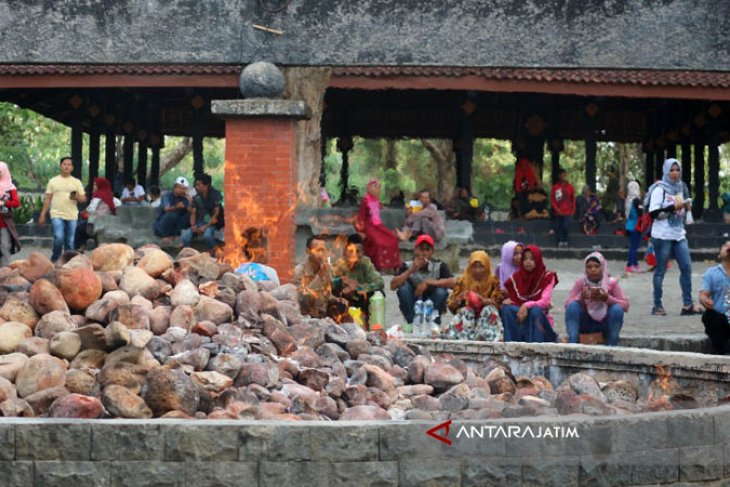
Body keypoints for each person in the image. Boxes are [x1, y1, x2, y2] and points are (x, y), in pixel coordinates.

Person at [648, 158, 700, 316]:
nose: (675, 173)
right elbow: (654, 213)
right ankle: (657, 305)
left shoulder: (681, 188)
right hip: (662, 235)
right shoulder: (659, 189)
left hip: (679, 234)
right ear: (666, 171)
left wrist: (687, 208)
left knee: (686, 267)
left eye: (677, 170)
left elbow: (683, 212)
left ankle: (687, 304)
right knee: (660, 271)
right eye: (672, 170)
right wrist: (673, 207)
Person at [564, 252, 629, 346]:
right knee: (573, 306)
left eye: (596, 266)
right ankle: (572, 341)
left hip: (605, 322)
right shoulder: (581, 282)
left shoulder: (611, 283)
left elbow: (625, 305)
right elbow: (567, 304)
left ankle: (612, 344)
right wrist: (581, 297)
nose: (593, 270)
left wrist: (607, 299)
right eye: (589, 267)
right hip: (586, 322)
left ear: (602, 267)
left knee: (617, 310)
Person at [391, 234, 455, 325]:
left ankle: (433, 322)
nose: (424, 253)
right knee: (403, 289)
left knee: (441, 291)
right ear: (415, 250)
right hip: (413, 300)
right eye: (421, 249)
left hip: (432, 300)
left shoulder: (439, 265)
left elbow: (454, 283)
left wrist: (429, 282)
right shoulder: (407, 265)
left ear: (432, 252)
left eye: (427, 250)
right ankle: (411, 322)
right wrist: (410, 271)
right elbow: (393, 285)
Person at [501, 245, 558, 343]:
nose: (528, 262)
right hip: (521, 314)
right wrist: (512, 301)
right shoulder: (517, 277)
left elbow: (545, 301)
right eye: (525, 259)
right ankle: (512, 346)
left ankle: (536, 348)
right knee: (507, 309)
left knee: (535, 310)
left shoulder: (547, 277)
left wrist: (526, 305)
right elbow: (515, 298)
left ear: (538, 260)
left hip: (541, 323)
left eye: (532, 259)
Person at [443, 250, 503, 341]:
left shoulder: (493, 281)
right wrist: (460, 298)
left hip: (485, 317)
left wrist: (485, 301)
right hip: (467, 319)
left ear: (487, 267)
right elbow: (451, 305)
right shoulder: (462, 280)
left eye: (481, 267)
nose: (477, 270)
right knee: (466, 310)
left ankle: (486, 338)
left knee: (489, 310)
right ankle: (464, 340)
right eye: (474, 267)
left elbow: (499, 303)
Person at [39, 157, 87, 262]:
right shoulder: (53, 181)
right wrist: (42, 214)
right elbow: (48, 199)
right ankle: (55, 258)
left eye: (69, 164)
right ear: (61, 166)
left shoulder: (76, 182)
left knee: (70, 241)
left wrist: (77, 198)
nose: (66, 166)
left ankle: (67, 262)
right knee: (59, 238)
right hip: (56, 214)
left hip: (72, 215)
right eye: (64, 164)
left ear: (72, 168)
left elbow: (83, 199)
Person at [293, 235, 349, 321]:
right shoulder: (299, 272)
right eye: (318, 250)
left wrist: (336, 299)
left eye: (324, 250)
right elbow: (301, 299)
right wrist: (319, 277)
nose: (322, 254)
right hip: (306, 319)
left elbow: (326, 294)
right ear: (308, 252)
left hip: (324, 317)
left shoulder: (326, 269)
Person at [332, 234, 384, 319]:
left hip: (362, 299)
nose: (354, 255)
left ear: (363, 252)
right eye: (351, 251)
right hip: (345, 301)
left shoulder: (365, 262)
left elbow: (379, 282)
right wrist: (341, 281)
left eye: (358, 251)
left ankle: (375, 325)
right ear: (345, 252)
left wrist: (358, 288)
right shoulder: (340, 264)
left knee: (379, 294)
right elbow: (329, 282)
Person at [355, 178, 402, 272]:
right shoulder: (365, 201)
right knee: (377, 242)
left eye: (377, 188)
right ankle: (377, 266)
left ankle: (394, 265)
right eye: (373, 187)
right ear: (368, 188)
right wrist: (361, 230)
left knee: (393, 238)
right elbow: (361, 215)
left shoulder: (376, 200)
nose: (375, 189)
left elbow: (379, 207)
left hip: (378, 226)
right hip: (369, 226)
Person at [699, 241, 730, 354]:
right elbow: (703, 294)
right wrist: (705, 300)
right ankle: (724, 353)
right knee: (709, 316)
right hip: (720, 320)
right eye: (726, 245)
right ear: (719, 254)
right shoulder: (711, 273)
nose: (729, 247)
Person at [182, 173, 224, 252]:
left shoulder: (216, 194)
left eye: (199, 185)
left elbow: (216, 213)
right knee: (185, 237)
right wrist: (193, 225)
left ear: (206, 185)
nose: (196, 187)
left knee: (207, 236)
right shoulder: (196, 197)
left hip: (212, 223)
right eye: (196, 185)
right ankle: (189, 254)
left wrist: (206, 226)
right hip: (199, 223)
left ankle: (216, 252)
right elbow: (193, 213)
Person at [75, 177, 116, 250]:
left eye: (95, 185)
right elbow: (117, 205)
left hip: (95, 222)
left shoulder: (97, 197)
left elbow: (91, 210)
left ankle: (79, 247)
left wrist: (84, 212)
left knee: (79, 227)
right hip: (107, 222)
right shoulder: (110, 197)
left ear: (100, 186)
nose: (93, 186)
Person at [154, 177, 191, 242]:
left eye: (184, 189)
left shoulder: (184, 199)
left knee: (187, 216)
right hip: (162, 224)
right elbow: (166, 209)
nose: (183, 190)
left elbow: (190, 211)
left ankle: (174, 235)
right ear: (175, 187)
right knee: (172, 215)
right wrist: (176, 207)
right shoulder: (167, 196)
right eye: (181, 188)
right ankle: (164, 236)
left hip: (176, 226)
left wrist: (190, 200)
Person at [0, 162, 21, 266]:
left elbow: (16, 203)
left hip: (4, 222)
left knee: (4, 246)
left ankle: (4, 271)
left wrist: (4, 202)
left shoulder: (10, 187)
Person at [550, 169, 576, 248]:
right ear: (559, 176)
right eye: (562, 175)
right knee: (559, 226)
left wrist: (573, 209)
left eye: (565, 175)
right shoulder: (555, 187)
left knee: (566, 226)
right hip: (558, 211)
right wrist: (557, 210)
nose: (564, 177)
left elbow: (573, 199)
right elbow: (553, 200)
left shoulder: (570, 187)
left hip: (567, 211)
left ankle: (565, 240)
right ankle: (560, 241)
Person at [624, 181, 645, 273]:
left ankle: (635, 264)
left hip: (629, 225)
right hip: (636, 226)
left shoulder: (628, 200)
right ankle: (630, 264)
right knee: (634, 246)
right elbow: (641, 213)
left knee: (633, 245)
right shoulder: (637, 200)